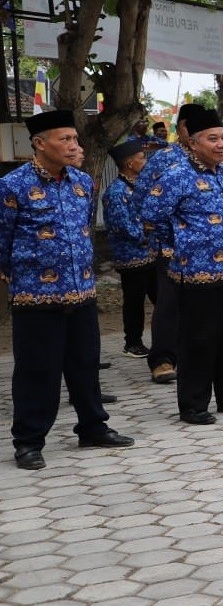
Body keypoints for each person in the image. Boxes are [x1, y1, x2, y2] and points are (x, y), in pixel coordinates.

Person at [2, 110, 135, 470]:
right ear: (39, 143)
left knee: (85, 365)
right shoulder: (12, 186)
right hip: (35, 295)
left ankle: (93, 426)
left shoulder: (82, 183)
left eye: (75, 139)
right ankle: (28, 441)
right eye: (65, 139)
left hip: (82, 292)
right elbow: (3, 239)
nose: (73, 145)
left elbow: (83, 232)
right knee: (37, 371)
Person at [140, 106, 223, 424]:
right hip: (198, 272)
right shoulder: (177, 176)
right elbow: (150, 214)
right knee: (199, 340)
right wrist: (180, 244)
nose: (221, 144)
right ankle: (194, 404)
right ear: (194, 143)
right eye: (213, 139)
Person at [139, 103, 202, 386]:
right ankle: (162, 359)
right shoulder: (164, 159)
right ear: (183, 129)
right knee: (168, 304)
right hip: (172, 248)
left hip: (207, 251)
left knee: (202, 306)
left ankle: (196, 355)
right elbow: (142, 199)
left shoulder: (213, 161)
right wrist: (162, 234)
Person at [102, 140, 155, 357]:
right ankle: (132, 342)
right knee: (134, 300)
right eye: (142, 158)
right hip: (131, 256)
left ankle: (167, 339)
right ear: (129, 163)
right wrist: (146, 236)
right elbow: (121, 225)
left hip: (150, 254)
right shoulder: (116, 192)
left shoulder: (142, 186)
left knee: (161, 297)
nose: (145, 161)